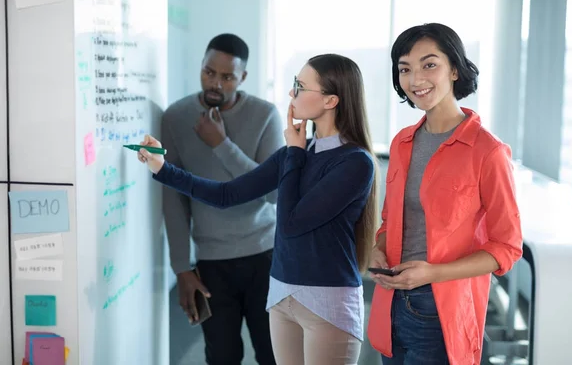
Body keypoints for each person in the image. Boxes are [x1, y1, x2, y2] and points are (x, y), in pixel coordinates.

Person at [139, 53, 379, 365]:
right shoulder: (295, 153)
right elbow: (227, 195)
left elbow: (291, 223)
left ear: (331, 100)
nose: (292, 94)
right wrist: (161, 168)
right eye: (295, 84)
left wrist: (294, 151)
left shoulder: (355, 163)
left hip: (327, 300)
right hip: (281, 296)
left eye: (301, 87)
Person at [366, 23, 523, 365]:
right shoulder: (403, 142)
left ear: (454, 69)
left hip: (440, 309)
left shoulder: (487, 150)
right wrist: (378, 250)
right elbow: (391, 220)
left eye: (429, 64)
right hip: (391, 300)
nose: (415, 78)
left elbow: (507, 248)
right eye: (405, 68)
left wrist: (432, 273)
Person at [162, 33, 283, 365]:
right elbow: (173, 198)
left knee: (273, 353)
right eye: (208, 72)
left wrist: (221, 145)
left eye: (227, 76)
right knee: (221, 356)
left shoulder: (265, 115)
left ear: (242, 77)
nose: (215, 83)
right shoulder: (175, 117)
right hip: (211, 264)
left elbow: (274, 193)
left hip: (266, 257)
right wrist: (181, 268)